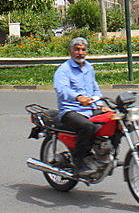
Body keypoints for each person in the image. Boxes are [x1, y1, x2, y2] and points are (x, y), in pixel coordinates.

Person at [53, 36, 107, 176]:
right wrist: (78, 97)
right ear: (70, 51)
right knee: (87, 126)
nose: (80, 53)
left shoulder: (89, 68)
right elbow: (61, 89)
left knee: (113, 120)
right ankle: (79, 161)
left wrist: (101, 105)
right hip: (70, 111)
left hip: (89, 109)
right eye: (77, 49)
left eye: (83, 50)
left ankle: (104, 155)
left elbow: (95, 89)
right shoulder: (64, 69)